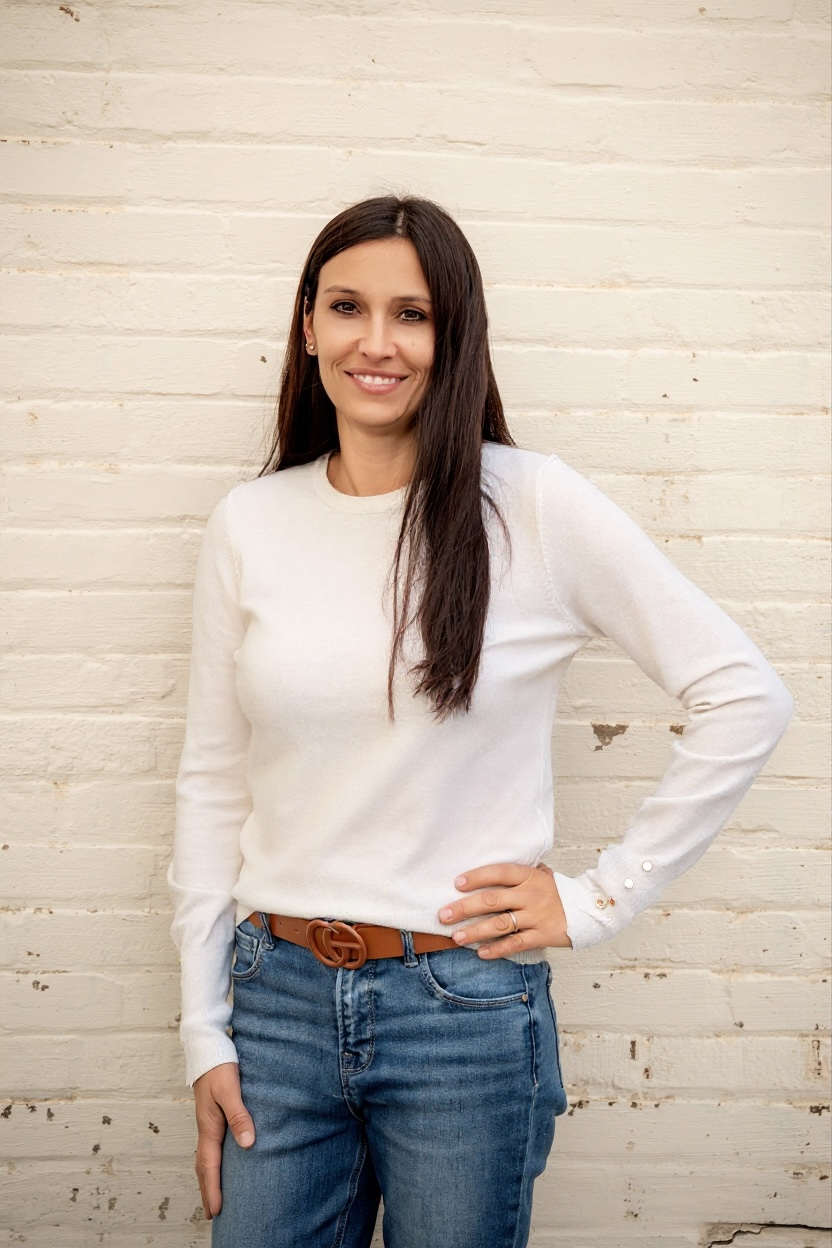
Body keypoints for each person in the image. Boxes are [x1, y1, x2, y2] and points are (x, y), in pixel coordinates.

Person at [167, 194, 795, 1247]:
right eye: (346, 308)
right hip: (270, 1004)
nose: (376, 343)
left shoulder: (532, 506)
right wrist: (203, 1027)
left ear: (454, 335)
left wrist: (596, 898)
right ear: (306, 326)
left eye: (412, 315)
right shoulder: (250, 523)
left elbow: (743, 695)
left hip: (460, 1009)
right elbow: (210, 779)